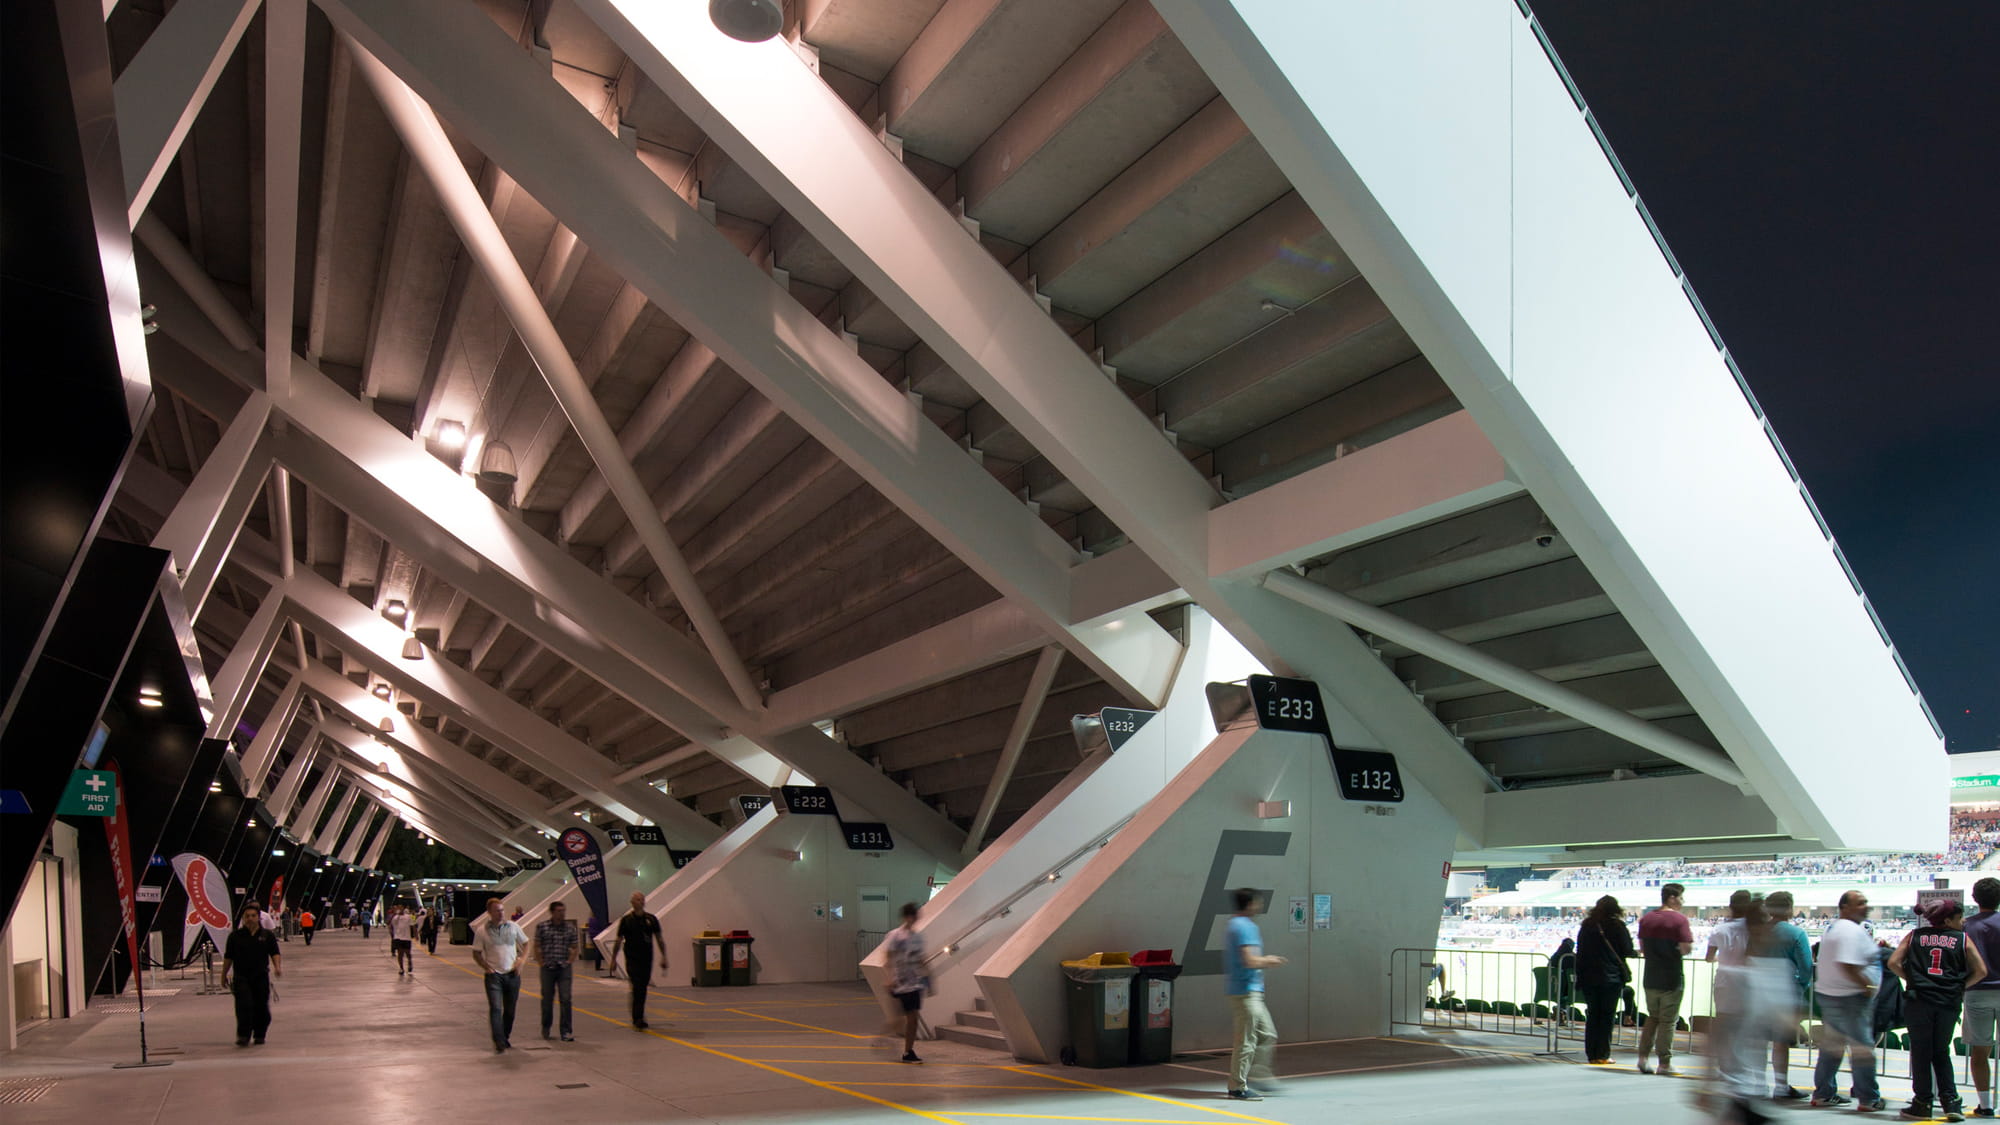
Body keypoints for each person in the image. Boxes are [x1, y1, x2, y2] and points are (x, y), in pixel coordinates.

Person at [1888, 898, 1989, 1121]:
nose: (1962, 922)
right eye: (1959, 918)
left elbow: (1893, 963)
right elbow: (1981, 970)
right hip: (1947, 1003)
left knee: (1921, 1052)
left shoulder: (1914, 936)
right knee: (1941, 1051)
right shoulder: (1962, 939)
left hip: (1919, 1000)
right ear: (1947, 919)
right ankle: (1951, 1102)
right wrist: (1958, 987)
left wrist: (1913, 979)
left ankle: (1922, 1103)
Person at [1812, 890, 1884, 1110]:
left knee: (1832, 1047)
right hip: (1849, 998)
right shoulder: (1849, 932)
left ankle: (1824, 1092)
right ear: (1845, 907)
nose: (1866, 906)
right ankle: (1869, 1098)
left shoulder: (1836, 928)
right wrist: (1867, 985)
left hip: (1833, 995)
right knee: (1862, 1049)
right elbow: (1848, 964)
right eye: (1860, 903)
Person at [1223, 888, 1286, 1102]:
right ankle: (1237, 1087)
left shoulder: (1234, 924)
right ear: (1249, 904)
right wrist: (1270, 960)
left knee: (1267, 1034)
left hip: (1248, 992)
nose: (1259, 906)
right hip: (1246, 992)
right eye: (1257, 902)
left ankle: (1257, 1074)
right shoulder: (1244, 927)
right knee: (1246, 1041)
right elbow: (1249, 960)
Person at [1636, 882, 1694, 1075]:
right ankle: (1664, 1063)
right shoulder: (1679, 920)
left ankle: (1643, 1058)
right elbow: (1686, 948)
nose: (1683, 901)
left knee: (1652, 1017)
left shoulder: (1646, 919)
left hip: (1650, 976)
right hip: (1671, 976)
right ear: (1672, 897)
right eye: (1681, 897)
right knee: (1668, 1021)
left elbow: (1643, 948)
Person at [1763, 891, 1814, 1099]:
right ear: (1789, 909)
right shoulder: (1796, 934)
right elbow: (1806, 968)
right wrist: (1800, 986)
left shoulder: (1758, 933)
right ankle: (1781, 1086)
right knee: (1780, 1042)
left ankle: (1756, 1084)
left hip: (1759, 992)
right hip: (1785, 994)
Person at [1575, 895, 1636, 1065]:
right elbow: (1627, 950)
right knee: (1607, 1016)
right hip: (1611, 977)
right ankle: (1603, 1053)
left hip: (1589, 977)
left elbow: (1580, 952)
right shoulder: (1617, 925)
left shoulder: (1587, 925)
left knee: (1593, 1015)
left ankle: (1591, 1053)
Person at [471, 896, 528, 1052]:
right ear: (489, 912)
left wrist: (521, 960)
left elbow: (526, 943)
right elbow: (476, 953)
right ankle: (499, 1041)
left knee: (510, 1010)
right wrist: (486, 967)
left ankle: (504, 1036)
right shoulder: (482, 931)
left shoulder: (513, 927)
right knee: (496, 1008)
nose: (501, 913)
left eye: (502, 910)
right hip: (494, 975)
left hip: (512, 974)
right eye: (497, 911)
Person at [222, 903, 282, 1047]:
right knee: (244, 1006)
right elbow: (228, 957)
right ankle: (243, 1035)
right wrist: (223, 974)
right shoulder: (235, 936)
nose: (250, 919)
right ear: (243, 918)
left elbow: (274, 952)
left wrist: (277, 967)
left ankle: (260, 1034)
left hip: (261, 976)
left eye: (253, 916)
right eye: (247, 916)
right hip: (241, 977)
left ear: (258, 918)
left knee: (262, 1007)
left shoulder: (267, 936)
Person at [1964, 878, 2000, 1118]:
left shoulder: (1966, 926)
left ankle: (1985, 1104)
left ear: (1974, 899)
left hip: (1977, 992)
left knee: (1979, 1052)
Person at [610, 891, 667, 1029]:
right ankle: (638, 1017)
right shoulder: (626, 921)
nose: (640, 902)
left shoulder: (651, 919)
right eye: (637, 899)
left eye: (642, 899)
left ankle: (639, 1014)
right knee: (637, 986)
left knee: (643, 987)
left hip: (646, 958)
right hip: (632, 958)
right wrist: (613, 960)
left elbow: (659, 938)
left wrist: (664, 956)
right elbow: (618, 940)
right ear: (632, 902)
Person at [884, 902, 927, 1063]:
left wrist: (929, 977)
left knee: (912, 1018)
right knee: (904, 1018)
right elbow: (888, 956)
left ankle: (908, 1051)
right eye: (913, 916)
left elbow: (921, 958)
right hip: (900, 982)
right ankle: (901, 1047)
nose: (915, 919)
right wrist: (889, 978)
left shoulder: (918, 937)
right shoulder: (895, 935)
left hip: (914, 983)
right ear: (908, 917)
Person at [531, 901, 580, 1042]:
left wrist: (570, 961)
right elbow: (537, 945)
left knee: (565, 999)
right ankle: (546, 1026)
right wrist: (541, 962)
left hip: (564, 968)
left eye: (563, 911)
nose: (562, 913)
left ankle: (566, 1031)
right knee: (547, 999)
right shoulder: (542, 927)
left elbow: (575, 946)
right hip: (548, 968)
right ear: (552, 912)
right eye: (559, 911)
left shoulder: (570, 928)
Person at [389, 905, 415, 976]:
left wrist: (415, 935)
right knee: (400, 954)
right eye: (398, 908)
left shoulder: (408, 916)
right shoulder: (395, 917)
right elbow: (391, 925)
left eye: (401, 908)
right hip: (398, 937)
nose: (399, 909)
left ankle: (410, 963)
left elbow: (412, 925)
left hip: (407, 938)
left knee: (408, 953)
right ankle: (401, 968)